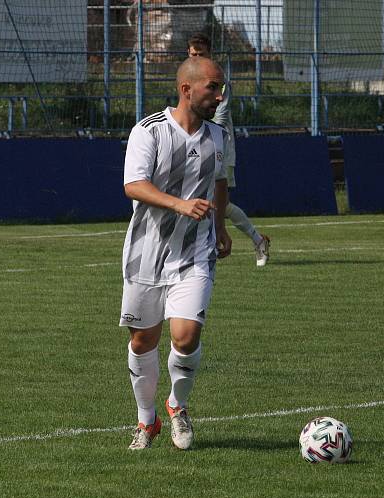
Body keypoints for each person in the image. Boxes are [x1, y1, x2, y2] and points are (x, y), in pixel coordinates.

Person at [120, 56, 232, 451]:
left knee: (185, 336)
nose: (220, 96)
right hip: (146, 253)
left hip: (195, 252)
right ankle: (146, 421)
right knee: (142, 342)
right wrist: (179, 204)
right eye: (213, 88)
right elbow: (134, 185)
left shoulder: (218, 136)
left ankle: (178, 406)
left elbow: (219, 182)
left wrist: (219, 227)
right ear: (187, 89)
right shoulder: (148, 131)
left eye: (221, 88)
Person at [187, 32, 271, 267]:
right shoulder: (188, 80)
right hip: (197, 144)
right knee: (211, 203)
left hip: (220, 147)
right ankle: (256, 240)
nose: (196, 58)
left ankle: (253, 240)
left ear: (209, 55)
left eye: (200, 54)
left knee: (217, 204)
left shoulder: (219, 82)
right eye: (192, 54)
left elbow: (218, 119)